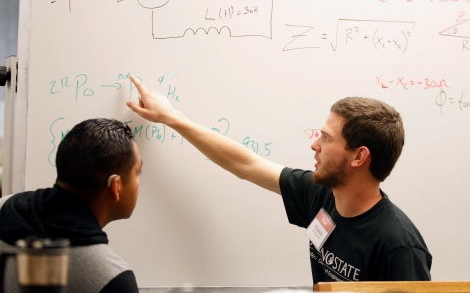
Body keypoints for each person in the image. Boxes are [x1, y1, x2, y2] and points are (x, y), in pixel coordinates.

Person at [126, 75, 432, 284]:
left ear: (358, 157)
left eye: (326, 138)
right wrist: (172, 118)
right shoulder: (322, 196)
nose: (315, 145)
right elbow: (245, 163)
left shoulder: (399, 248)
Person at [0, 118, 142, 293]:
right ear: (116, 186)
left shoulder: (4, 205)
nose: (138, 181)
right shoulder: (111, 279)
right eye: (138, 172)